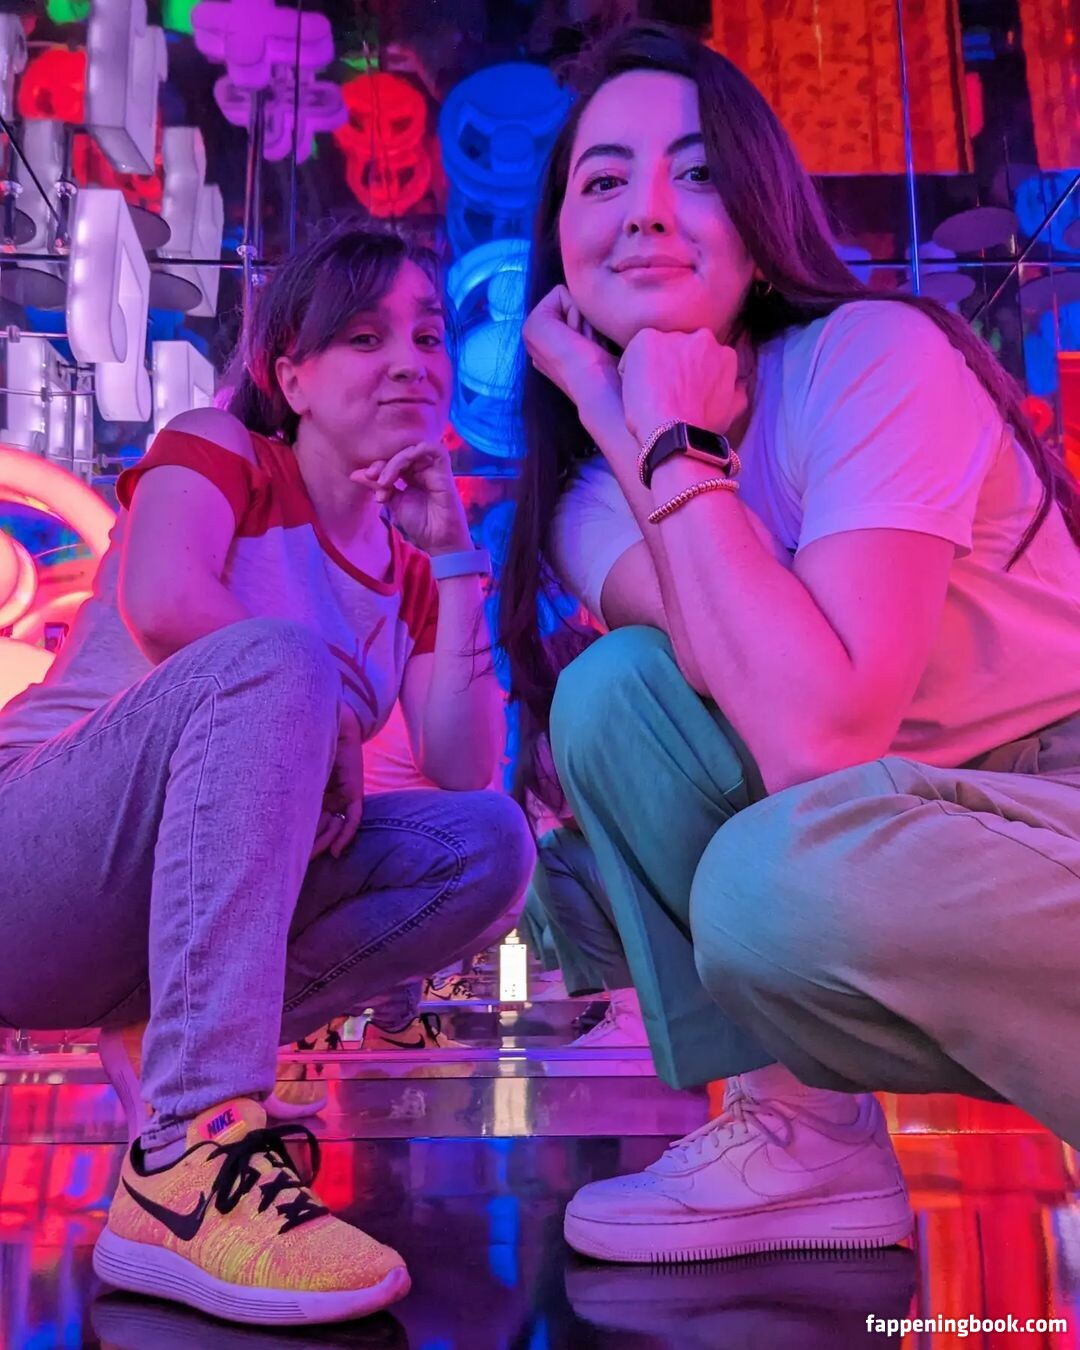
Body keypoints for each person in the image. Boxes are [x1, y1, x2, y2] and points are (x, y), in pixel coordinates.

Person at [499, 22, 1080, 1266]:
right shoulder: (590, 498)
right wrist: (619, 414)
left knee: (775, 884)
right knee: (615, 696)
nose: (646, 212)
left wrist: (666, 442)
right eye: (604, 180)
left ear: (763, 220)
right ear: (560, 243)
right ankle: (800, 1136)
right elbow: (750, 684)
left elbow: (821, 733)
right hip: (894, 824)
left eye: (698, 172)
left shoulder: (871, 355)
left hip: (1055, 793)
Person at [0, 221, 534, 1325]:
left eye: (427, 336)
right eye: (363, 336)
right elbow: (164, 603)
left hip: (158, 921)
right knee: (279, 659)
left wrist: (452, 555)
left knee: (488, 846)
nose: (410, 361)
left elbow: (464, 762)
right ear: (289, 376)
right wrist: (327, 710)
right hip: (32, 855)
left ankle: (172, 1041)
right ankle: (188, 1155)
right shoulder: (222, 449)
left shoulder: (406, 570)